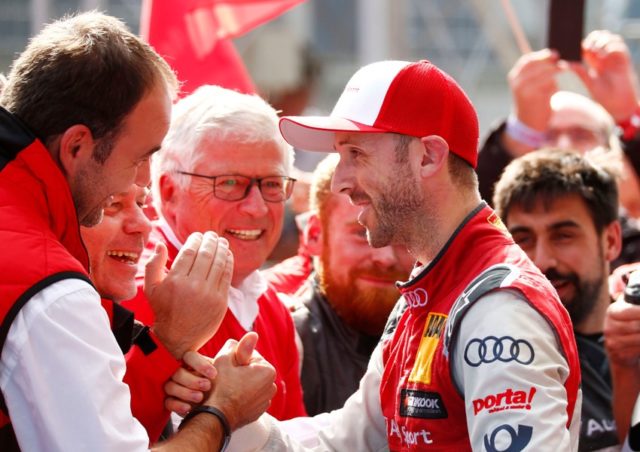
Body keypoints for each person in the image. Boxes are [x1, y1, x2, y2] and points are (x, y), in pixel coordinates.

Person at [224, 59, 582, 450]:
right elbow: (348, 439)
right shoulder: (428, 288)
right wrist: (225, 416)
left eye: (356, 154)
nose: (340, 181)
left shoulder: (498, 309)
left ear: (428, 156)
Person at [0, 12, 275, 451]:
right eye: (140, 157)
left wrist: (165, 347)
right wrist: (221, 413)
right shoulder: (51, 290)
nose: (142, 180)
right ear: (76, 147)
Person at [122, 84, 307, 420]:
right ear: (169, 191)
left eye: (271, 184)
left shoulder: (272, 308)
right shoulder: (131, 294)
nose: (256, 208)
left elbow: (296, 437)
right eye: (230, 183)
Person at [476, 30, 640, 269]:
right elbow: (465, 213)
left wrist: (627, 118)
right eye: (548, 136)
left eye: (581, 135)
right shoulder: (504, 245)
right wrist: (520, 131)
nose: (564, 146)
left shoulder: (633, 250)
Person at [493, 148, 622, 450]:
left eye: (563, 235)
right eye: (523, 239)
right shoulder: (489, 353)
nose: (542, 260)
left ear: (611, 241)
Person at [287, 154, 413, 415]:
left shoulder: (450, 335)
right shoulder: (283, 342)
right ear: (314, 235)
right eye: (362, 233)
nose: (385, 257)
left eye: (402, 235)